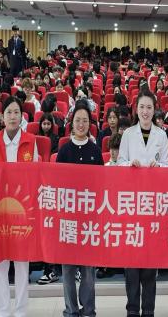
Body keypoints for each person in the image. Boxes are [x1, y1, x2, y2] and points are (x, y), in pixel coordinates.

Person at [116, 89, 168, 317]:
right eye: (142, 107)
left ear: (154, 110)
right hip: (132, 205)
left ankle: (148, 311)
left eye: (149, 107)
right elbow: (119, 164)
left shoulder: (161, 135)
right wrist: (129, 165)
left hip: (153, 205)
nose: (145, 112)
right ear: (136, 110)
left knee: (149, 264)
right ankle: (132, 310)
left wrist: (159, 168)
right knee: (131, 265)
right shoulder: (128, 134)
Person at [0, 97, 39, 317]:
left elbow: (35, 175)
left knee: (22, 261)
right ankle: (2, 310)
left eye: (17, 112)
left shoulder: (30, 141)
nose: (13, 116)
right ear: (3, 116)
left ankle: (21, 311)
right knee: (0, 260)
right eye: (9, 112)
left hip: (22, 209)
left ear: (22, 116)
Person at [56, 101, 101, 317]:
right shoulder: (64, 150)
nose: (81, 124)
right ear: (71, 123)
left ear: (89, 124)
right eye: (77, 120)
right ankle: (71, 310)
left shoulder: (95, 151)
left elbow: (101, 185)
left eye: (85, 121)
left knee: (88, 270)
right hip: (68, 219)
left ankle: (89, 310)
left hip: (89, 219)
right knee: (68, 269)